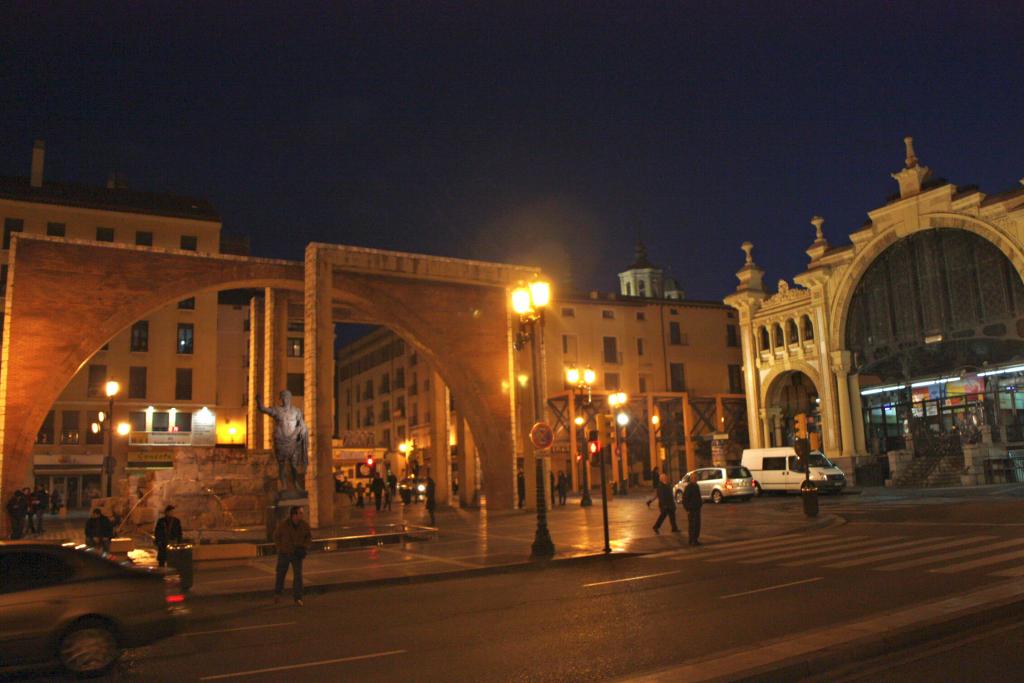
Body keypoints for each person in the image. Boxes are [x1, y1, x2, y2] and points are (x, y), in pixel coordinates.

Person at [256, 390, 310, 494]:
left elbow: (302, 424)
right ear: (281, 399)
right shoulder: (277, 410)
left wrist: (302, 429)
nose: (285, 399)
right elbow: (263, 409)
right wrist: (259, 401)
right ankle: (283, 485)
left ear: (290, 398)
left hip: (293, 441)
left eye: (287, 397)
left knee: (293, 465)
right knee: (281, 464)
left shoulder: (296, 411)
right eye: (283, 397)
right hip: (281, 440)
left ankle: (296, 484)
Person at [274, 506, 311, 605]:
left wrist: (304, 547)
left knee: (298, 576)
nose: (302, 515)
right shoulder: (283, 525)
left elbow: (308, 538)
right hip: (285, 553)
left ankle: (298, 597)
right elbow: (276, 537)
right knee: (281, 574)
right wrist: (281, 548)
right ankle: (278, 593)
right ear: (294, 515)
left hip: (297, 553)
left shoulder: (304, 525)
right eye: (300, 513)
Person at [682, 472, 703, 546]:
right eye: (694, 478)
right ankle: (692, 540)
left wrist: (700, 504)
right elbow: (685, 499)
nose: (695, 479)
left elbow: (698, 497)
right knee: (692, 525)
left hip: (697, 508)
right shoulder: (689, 487)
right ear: (691, 479)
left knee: (697, 525)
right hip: (691, 509)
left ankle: (694, 539)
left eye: (696, 478)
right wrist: (687, 509)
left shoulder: (696, 486)